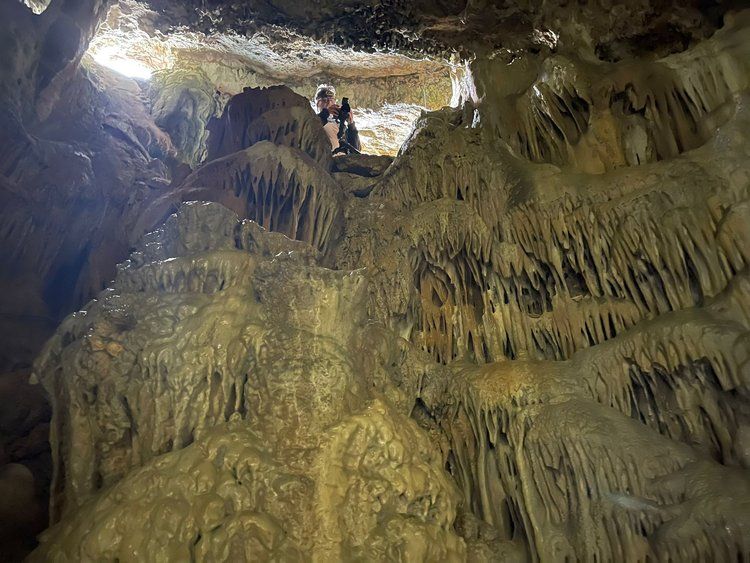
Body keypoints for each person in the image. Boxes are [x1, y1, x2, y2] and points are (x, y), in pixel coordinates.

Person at [314, 84, 361, 154]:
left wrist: (351, 125)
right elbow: (312, 129)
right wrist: (325, 113)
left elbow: (356, 150)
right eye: (324, 100)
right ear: (318, 103)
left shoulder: (341, 123)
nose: (329, 103)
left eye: (331, 100)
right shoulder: (313, 119)